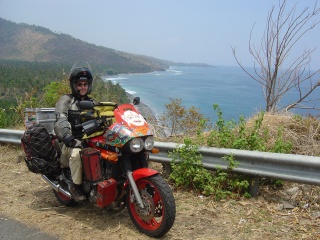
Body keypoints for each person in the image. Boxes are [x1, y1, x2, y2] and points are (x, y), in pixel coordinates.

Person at [54, 62, 94, 201]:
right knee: (77, 154)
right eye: (79, 84)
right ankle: (75, 187)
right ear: (74, 85)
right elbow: (61, 119)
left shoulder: (92, 102)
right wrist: (68, 137)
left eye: (85, 84)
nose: (83, 87)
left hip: (87, 141)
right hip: (69, 143)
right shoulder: (66, 100)